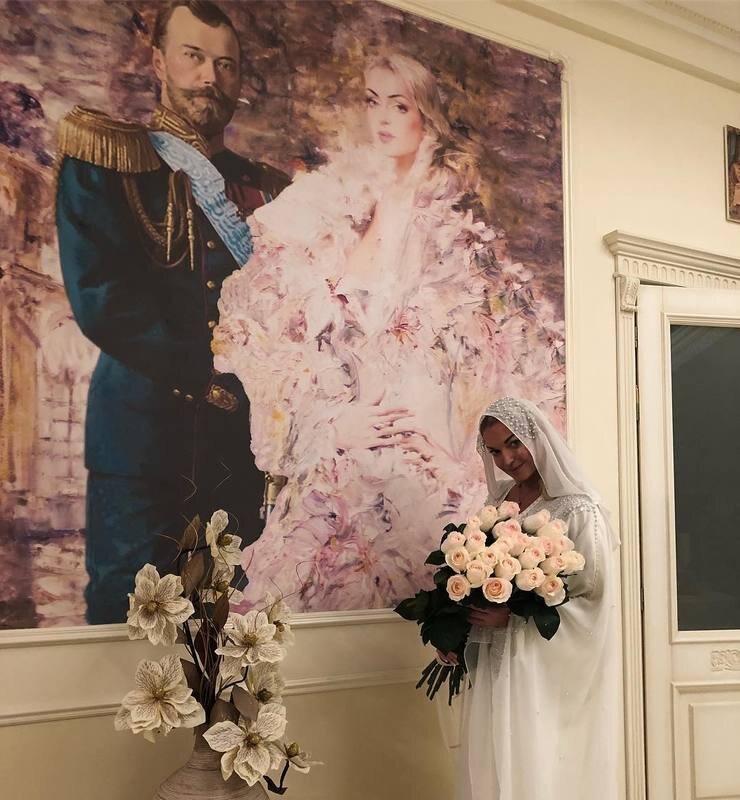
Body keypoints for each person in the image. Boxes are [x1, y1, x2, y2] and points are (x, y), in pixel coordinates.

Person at [213, 52, 565, 612]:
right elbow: (263, 339)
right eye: (372, 101)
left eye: (399, 106)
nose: (382, 117)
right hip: (342, 449)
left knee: (430, 600)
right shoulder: (319, 207)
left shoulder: (456, 231)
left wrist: (458, 460)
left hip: (420, 455)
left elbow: (511, 360)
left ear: (426, 118)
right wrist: (332, 423)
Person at [55, 0, 289, 624]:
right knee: (124, 624)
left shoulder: (269, 191)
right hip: (140, 443)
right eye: (193, 57)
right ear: (159, 62)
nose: (210, 77)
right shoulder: (107, 161)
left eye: (226, 65)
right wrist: (205, 372)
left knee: (234, 633)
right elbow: (100, 298)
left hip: (239, 452)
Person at [438, 396, 619, 800]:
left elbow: (594, 599)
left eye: (513, 443)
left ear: (536, 436)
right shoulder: (497, 504)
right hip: (496, 660)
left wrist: (515, 619)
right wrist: (453, 629)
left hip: (540, 667)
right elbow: (477, 576)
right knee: (495, 755)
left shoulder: (578, 509)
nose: (507, 459)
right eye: (495, 451)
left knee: (536, 756)